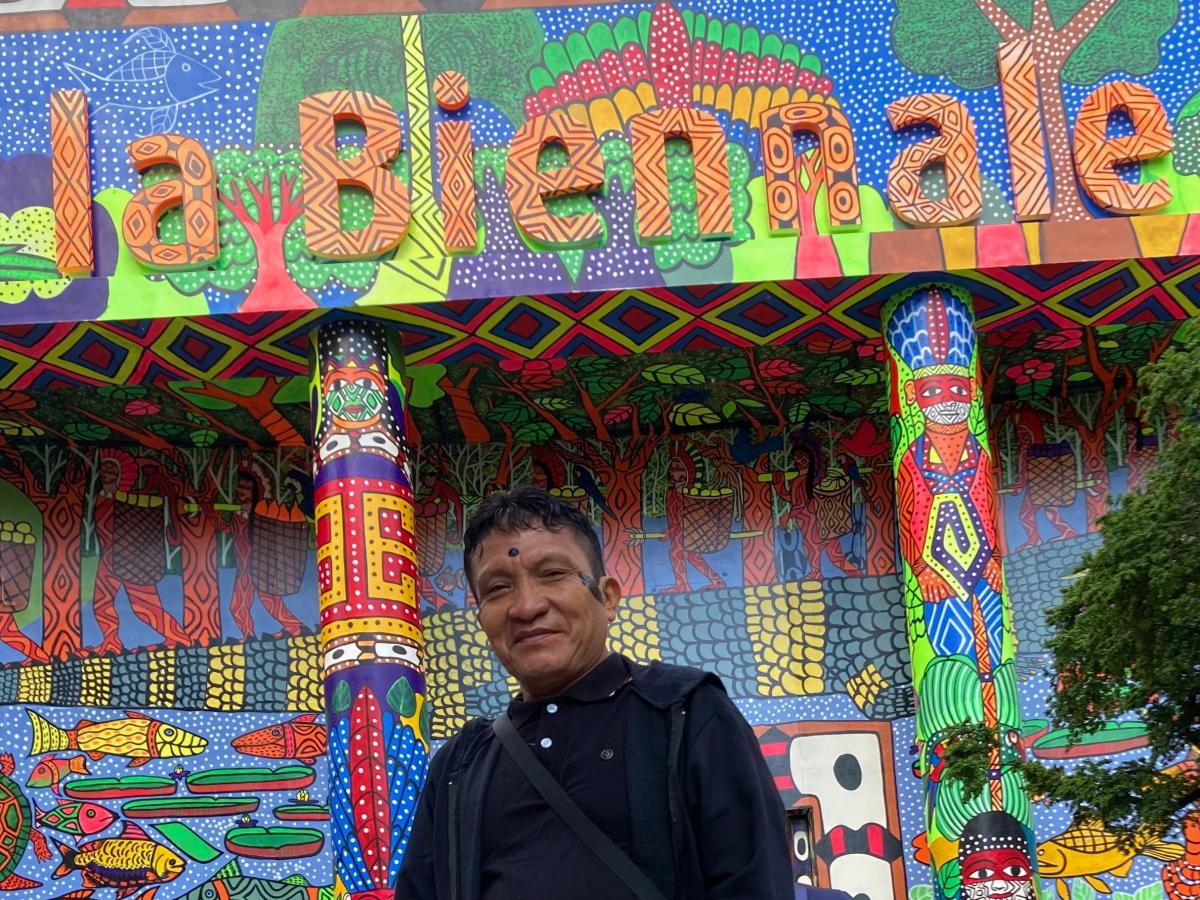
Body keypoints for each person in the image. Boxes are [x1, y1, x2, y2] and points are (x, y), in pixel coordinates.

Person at [394, 486, 791, 900]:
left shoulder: (686, 712)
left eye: (553, 574)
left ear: (608, 598)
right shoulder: (459, 768)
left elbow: (756, 883)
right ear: (480, 617)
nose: (527, 606)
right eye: (497, 589)